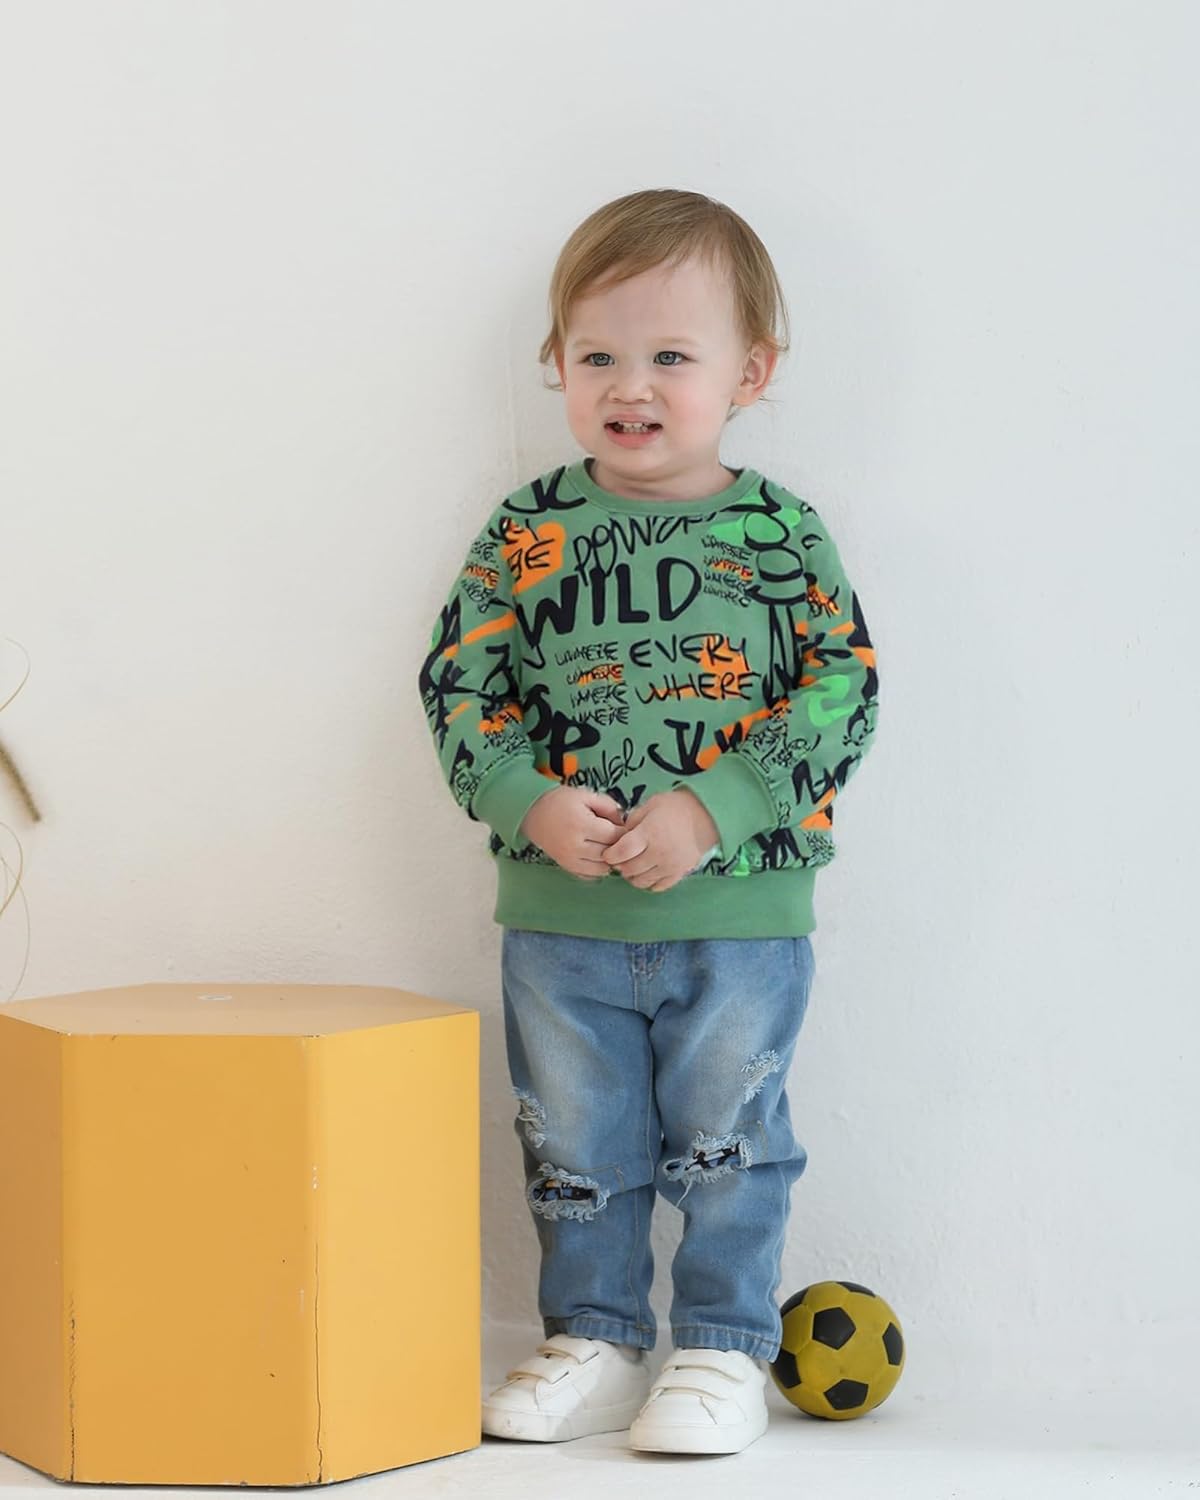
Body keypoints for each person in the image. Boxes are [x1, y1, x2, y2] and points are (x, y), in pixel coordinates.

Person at [417, 188, 880, 1456]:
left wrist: (716, 808)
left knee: (731, 1141)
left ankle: (724, 1344)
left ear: (750, 373)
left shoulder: (778, 534)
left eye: (672, 355)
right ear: (558, 364)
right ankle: (597, 1337)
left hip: (739, 923)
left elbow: (840, 689)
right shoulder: (527, 532)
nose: (632, 386)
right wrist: (525, 799)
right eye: (598, 355)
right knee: (574, 1144)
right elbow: (460, 682)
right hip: (560, 924)